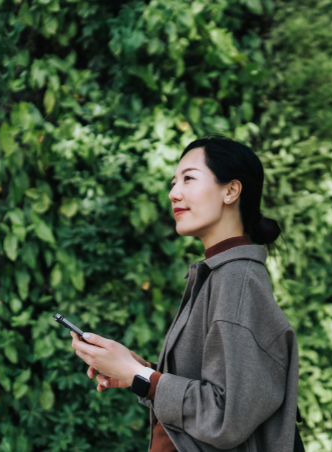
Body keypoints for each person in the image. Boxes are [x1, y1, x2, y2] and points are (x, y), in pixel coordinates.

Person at [70, 135, 300, 452]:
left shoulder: (236, 280)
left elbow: (228, 418)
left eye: (188, 178)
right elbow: (217, 388)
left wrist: (139, 374)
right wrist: (142, 374)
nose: (173, 193)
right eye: (174, 182)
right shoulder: (219, 273)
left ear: (231, 191)